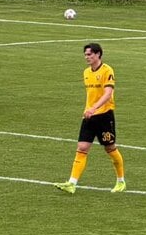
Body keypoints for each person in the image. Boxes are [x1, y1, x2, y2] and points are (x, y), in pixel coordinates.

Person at [54, 43, 126, 194]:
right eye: (85, 55)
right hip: (89, 116)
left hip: (104, 116)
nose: (87, 57)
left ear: (98, 54)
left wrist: (94, 108)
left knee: (110, 148)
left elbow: (107, 94)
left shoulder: (107, 70)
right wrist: (88, 109)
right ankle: (72, 183)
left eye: (89, 54)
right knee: (82, 148)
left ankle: (121, 181)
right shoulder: (86, 72)